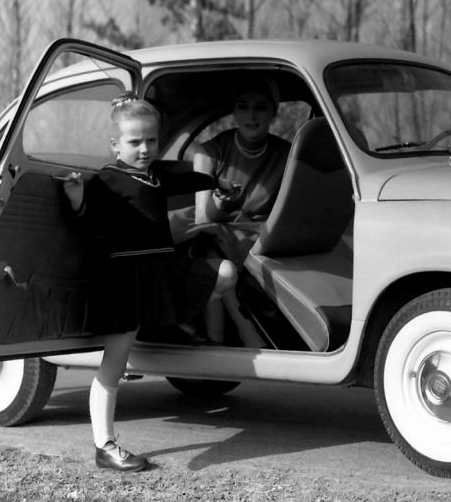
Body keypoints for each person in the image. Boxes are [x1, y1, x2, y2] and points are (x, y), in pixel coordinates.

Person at [58, 93, 213, 472]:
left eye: (151, 140)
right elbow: (85, 226)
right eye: (134, 142)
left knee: (213, 277)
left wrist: (212, 179)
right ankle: (104, 445)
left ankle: (178, 331)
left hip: (152, 274)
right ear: (115, 145)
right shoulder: (107, 181)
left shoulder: (152, 176)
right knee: (114, 361)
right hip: (122, 280)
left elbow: (179, 180)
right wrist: (77, 199)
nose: (145, 149)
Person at [175, 75, 291, 347]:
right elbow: (205, 216)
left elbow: (291, 214)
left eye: (261, 107)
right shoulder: (210, 152)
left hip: (264, 238)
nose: (251, 115)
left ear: (273, 111)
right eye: (243, 106)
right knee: (211, 246)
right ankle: (237, 334)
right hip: (216, 235)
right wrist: (222, 201)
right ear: (234, 111)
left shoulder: (287, 155)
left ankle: (226, 338)